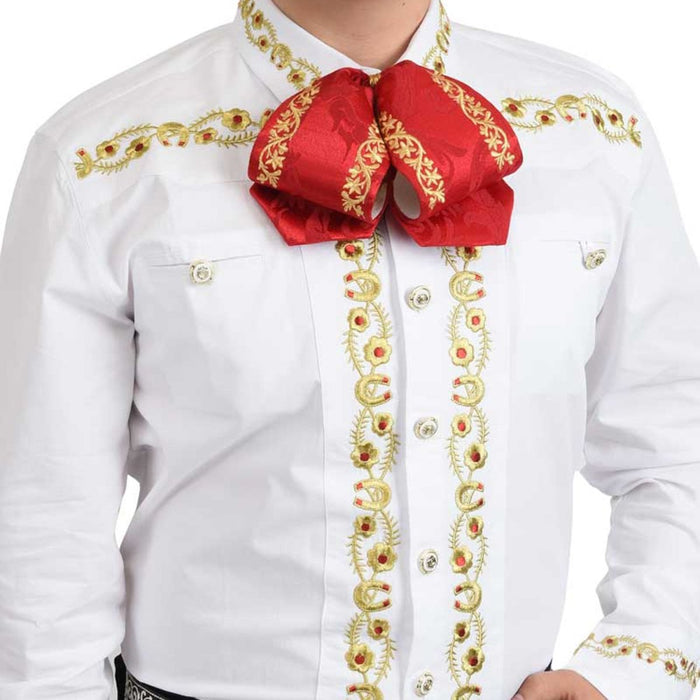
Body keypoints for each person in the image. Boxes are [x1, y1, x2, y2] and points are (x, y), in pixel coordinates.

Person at [0, 0, 698, 699]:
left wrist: (633, 666)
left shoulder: (596, 132)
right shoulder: (102, 158)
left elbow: (672, 441)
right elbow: (42, 509)